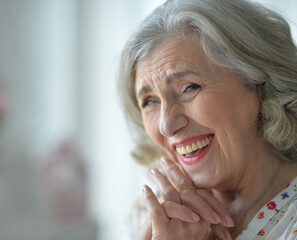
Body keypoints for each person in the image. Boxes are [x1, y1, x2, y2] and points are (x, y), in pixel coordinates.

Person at [118, 0, 297, 239]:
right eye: (150, 101)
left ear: (258, 86)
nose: (166, 125)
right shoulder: (151, 212)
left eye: (189, 87)